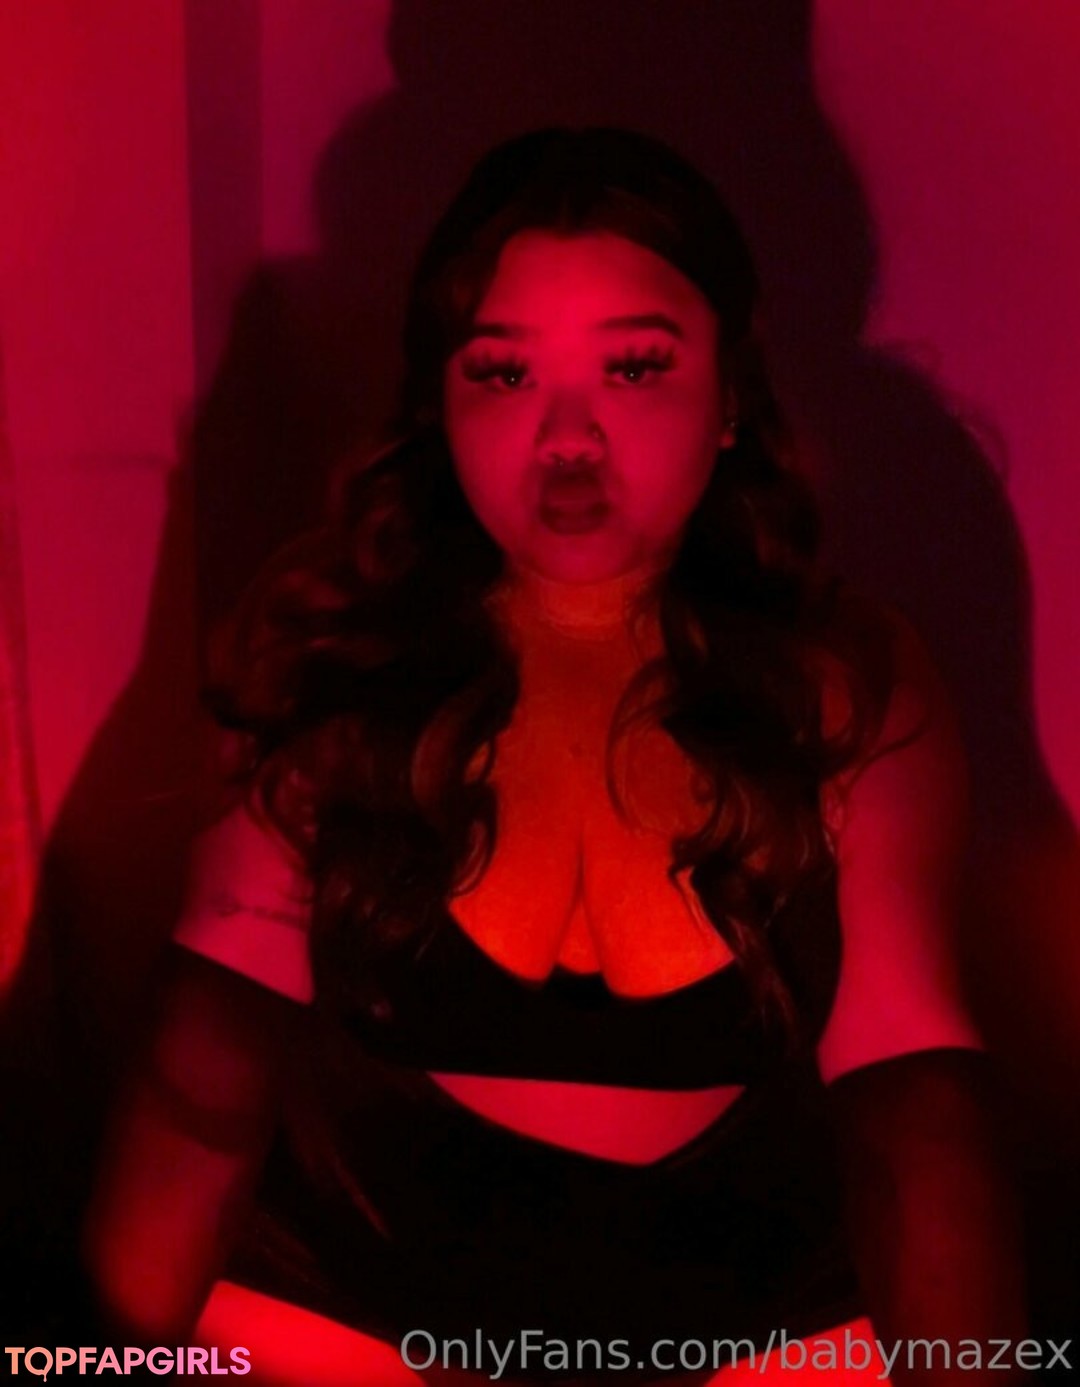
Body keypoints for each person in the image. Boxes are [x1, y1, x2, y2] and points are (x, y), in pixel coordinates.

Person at [83, 128, 1032, 1386]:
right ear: (441, 400)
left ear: (730, 396)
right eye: (504, 372)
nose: (567, 438)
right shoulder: (337, 643)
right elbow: (203, 1073)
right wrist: (104, 1367)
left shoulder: (847, 682)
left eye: (634, 367)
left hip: (754, 1304)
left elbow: (916, 1103)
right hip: (358, 1294)